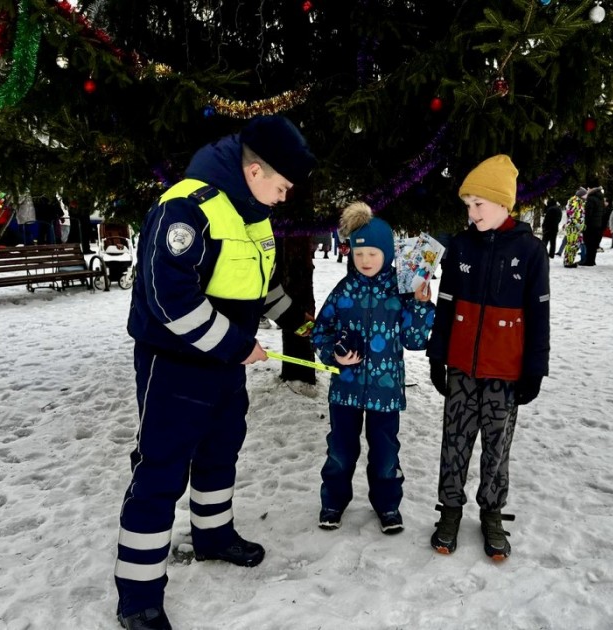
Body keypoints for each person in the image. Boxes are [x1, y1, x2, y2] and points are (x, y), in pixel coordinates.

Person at [115, 114, 316, 630]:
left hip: (225, 366)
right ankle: (138, 595)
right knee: (160, 471)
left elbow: (257, 284)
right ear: (255, 171)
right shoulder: (186, 207)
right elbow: (169, 299)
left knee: (219, 452)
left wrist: (298, 321)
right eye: (282, 184)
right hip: (175, 366)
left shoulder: (252, 214)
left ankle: (213, 534)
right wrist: (235, 344)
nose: (285, 195)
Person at [426, 155, 550, 560]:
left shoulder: (531, 252)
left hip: (506, 372)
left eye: (479, 204)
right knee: (455, 441)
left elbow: (539, 315)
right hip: (462, 366)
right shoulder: (461, 246)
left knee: (497, 446)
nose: (472, 212)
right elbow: (445, 305)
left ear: (504, 204)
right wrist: (437, 355)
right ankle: (450, 509)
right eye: (467, 205)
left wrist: (535, 369)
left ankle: (492, 511)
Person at [311, 201, 434, 534]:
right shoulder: (343, 291)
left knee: (385, 455)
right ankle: (333, 501)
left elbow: (415, 340)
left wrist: (422, 307)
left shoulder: (400, 292)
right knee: (340, 451)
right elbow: (320, 332)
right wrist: (332, 355)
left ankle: (388, 505)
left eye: (372, 254)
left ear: (387, 254)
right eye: (359, 254)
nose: (365, 261)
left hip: (385, 391)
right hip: (346, 390)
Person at [579, 185, 605, 266]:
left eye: (589, 189)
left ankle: (588, 261)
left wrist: (584, 223)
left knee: (589, 243)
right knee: (593, 244)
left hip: (590, 225)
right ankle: (592, 260)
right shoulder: (600, 200)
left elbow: (588, 213)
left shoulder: (591, 199)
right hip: (598, 225)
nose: (588, 190)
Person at [562, 187, 586, 268]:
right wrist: (576, 224)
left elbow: (580, 214)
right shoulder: (574, 201)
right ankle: (568, 262)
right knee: (572, 244)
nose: (587, 196)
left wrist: (582, 224)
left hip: (577, 227)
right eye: (585, 194)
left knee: (575, 244)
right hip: (573, 227)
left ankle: (569, 261)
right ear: (582, 195)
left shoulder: (580, 202)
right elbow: (571, 213)